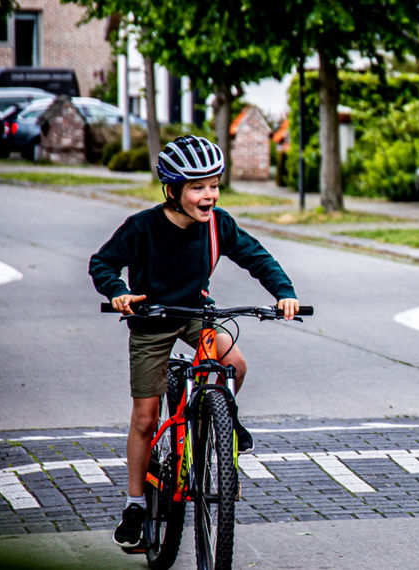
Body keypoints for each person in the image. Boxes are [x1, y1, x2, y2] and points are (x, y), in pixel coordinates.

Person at [90, 135, 300, 551]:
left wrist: (284, 292)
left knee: (234, 364)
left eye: (214, 185)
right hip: (151, 322)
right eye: (198, 187)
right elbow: (103, 262)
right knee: (146, 419)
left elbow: (257, 257)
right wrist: (117, 291)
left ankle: (216, 424)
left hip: (197, 314)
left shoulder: (219, 224)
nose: (210, 195)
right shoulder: (143, 228)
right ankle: (135, 503)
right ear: (173, 190)